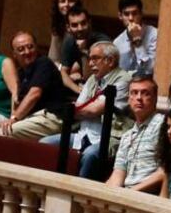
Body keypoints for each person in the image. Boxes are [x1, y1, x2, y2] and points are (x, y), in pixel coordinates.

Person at [39, 42, 132, 180]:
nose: (90, 63)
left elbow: (93, 110)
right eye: (89, 59)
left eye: (95, 58)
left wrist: (81, 110)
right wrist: (82, 110)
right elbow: (80, 106)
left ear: (110, 60)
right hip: (84, 134)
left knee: (90, 154)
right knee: (45, 143)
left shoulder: (123, 79)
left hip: (110, 137)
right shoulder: (92, 79)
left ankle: (78, 194)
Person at [0, 32, 71, 140]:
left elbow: (34, 94)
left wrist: (14, 119)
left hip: (51, 118)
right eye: (21, 49)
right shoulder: (21, 73)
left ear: (36, 47)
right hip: (31, 118)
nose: (27, 52)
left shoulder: (43, 63)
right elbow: (17, 100)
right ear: (14, 54)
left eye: (30, 47)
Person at [106, 75, 164, 189]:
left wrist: (131, 192)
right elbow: (118, 174)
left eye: (145, 93)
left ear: (155, 98)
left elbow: (164, 172)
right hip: (127, 194)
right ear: (128, 99)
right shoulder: (127, 136)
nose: (139, 97)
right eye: (134, 93)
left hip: (148, 195)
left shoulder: (162, 125)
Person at [60, 5, 111, 93]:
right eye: (75, 25)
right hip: (85, 86)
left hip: (105, 84)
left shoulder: (102, 41)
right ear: (68, 28)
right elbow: (63, 72)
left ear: (89, 23)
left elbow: (95, 76)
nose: (80, 28)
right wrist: (77, 89)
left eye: (83, 23)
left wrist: (84, 52)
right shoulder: (69, 40)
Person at [113, 0, 158, 74]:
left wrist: (137, 42)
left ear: (141, 14)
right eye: (126, 14)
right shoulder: (117, 43)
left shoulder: (154, 34)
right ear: (120, 16)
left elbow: (150, 70)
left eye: (134, 13)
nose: (131, 18)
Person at [48, 0, 81, 64]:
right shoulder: (57, 26)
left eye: (70, 1)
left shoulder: (83, 23)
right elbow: (53, 57)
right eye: (62, 1)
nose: (66, 4)